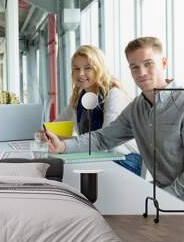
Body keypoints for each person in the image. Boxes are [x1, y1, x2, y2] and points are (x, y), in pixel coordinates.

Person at [45, 36, 184, 200]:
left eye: (148, 64)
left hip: (171, 196)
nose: (141, 72)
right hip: (163, 194)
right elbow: (102, 138)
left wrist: (164, 198)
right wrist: (62, 146)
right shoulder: (136, 109)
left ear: (164, 63)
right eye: (134, 67)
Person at [55, 45, 141, 175]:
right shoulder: (79, 98)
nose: (81, 73)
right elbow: (56, 126)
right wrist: (47, 134)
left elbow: (107, 140)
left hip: (122, 160)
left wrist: (65, 142)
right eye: (76, 69)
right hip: (96, 157)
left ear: (99, 69)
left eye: (87, 68)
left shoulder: (113, 94)